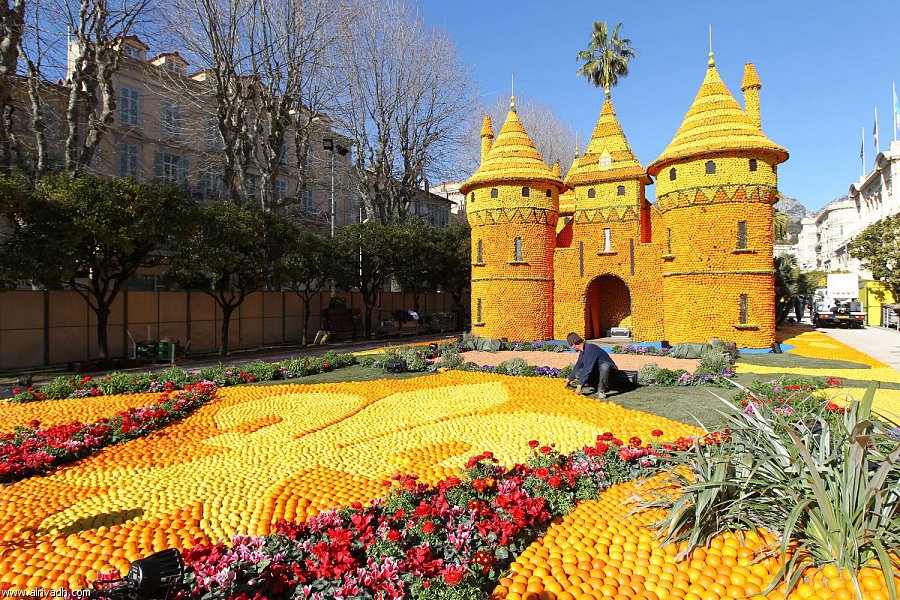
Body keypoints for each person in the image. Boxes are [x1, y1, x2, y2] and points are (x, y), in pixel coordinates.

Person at [564, 332, 617, 399]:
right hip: (598, 373)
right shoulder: (583, 352)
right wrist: (569, 379)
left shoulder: (591, 349)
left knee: (605, 366)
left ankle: (601, 390)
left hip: (611, 374)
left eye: (571, 346)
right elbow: (578, 365)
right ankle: (596, 385)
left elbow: (587, 368)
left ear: (574, 345)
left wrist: (580, 385)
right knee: (578, 373)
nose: (572, 348)